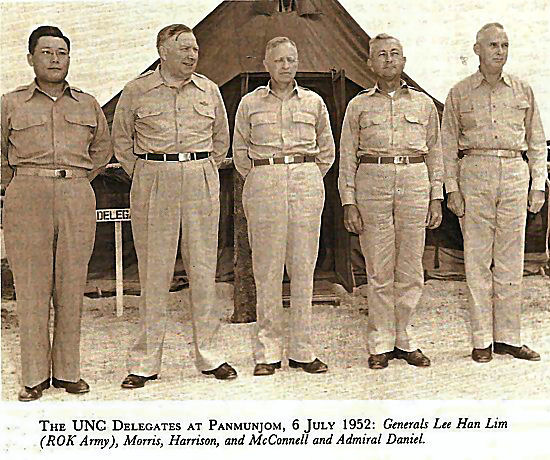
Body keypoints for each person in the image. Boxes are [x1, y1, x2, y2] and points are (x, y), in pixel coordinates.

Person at [113, 24, 237, 389]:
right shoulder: (137, 90)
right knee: (154, 272)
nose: (191, 54)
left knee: (203, 268)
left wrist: (197, 168)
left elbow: (221, 141)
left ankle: (210, 356)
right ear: (162, 51)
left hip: (199, 176)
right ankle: (145, 362)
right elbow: (122, 139)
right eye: (183, 48)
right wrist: (149, 172)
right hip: (154, 178)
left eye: (195, 48)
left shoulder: (209, 90)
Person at [1, 26, 113, 401]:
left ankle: (68, 372)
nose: (54, 59)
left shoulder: (87, 103)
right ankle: (33, 377)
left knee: (70, 284)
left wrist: (75, 180)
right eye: (46, 52)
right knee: (31, 288)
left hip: (76, 194)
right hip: (27, 193)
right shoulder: (10, 103)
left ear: (69, 58)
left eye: (61, 53)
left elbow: (102, 150)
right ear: (31, 58)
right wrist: (20, 182)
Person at [441, 23, 547, 363]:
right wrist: (452, 189)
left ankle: (509, 337)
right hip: (475, 172)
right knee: (476, 259)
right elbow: (446, 147)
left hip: (514, 171)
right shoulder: (459, 93)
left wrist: (538, 185)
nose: (499, 51)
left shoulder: (523, 90)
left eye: (504, 44)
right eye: (492, 45)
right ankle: (481, 339)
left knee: (511, 259)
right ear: (477, 50)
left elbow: (536, 142)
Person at [339, 34, 444, 370]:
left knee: (411, 266)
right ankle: (381, 341)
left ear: (403, 61)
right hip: (373, 180)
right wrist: (348, 202)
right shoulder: (358, 106)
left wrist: (436, 197)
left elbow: (436, 156)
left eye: (394, 54)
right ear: (370, 63)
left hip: (414, 180)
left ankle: (405, 337)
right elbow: (346, 158)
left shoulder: (424, 104)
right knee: (378, 266)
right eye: (380, 55)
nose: (388, 59)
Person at [233, 37, 335, 376]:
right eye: (278, 60)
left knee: (304, 267)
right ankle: (268, 352)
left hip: (306, 179)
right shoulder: (249, 103)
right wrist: (270, 176)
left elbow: (326, 151)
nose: (285, 65)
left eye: (291, 59)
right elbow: (241, 153)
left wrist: (303, 173)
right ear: (267, 64)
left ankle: (303, 351)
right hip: (264, 180)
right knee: (266, 269)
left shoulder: (314, 102)